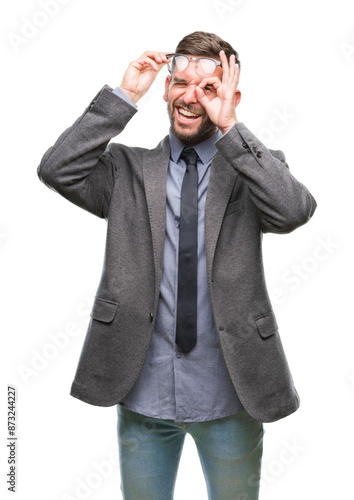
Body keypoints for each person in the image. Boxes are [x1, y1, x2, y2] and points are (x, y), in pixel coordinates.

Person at [37, 31, 317, 500]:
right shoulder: (124, 171)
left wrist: (231, 129)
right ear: (166, 88)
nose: (190, 97)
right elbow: (57, 169)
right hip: (143, 396)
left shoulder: (253, 170)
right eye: (180, 83)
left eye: (208, 88)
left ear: (230, 97)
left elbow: (294, 211)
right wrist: (124, 96)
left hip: (232, 397)